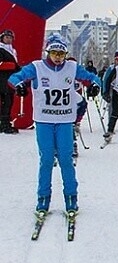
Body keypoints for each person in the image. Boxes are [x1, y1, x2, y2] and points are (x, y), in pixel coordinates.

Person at [7, 34, 101, 215]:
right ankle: (43, 198)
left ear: (65, 54)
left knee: (66, 159)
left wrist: (95, 85)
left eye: (61, 53)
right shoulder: (37, 67)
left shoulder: (72, 67)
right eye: (54, 53)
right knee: (47, 160)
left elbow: (92, 78)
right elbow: (14, 78)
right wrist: (19, 85)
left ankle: (71, 197)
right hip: (44, 121)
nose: (58, 57)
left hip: (65, 121)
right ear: (47, 53)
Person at [0, 29, 21, 133]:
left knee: (8, 102)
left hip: (9, 80)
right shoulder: (1, 49)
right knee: (6, 102)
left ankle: (5, 123)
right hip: (2, 80)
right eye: (6, 37)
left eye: (10, 38)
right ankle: (4, 124)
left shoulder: (12, 50)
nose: (8, 40)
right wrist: (13, 66)